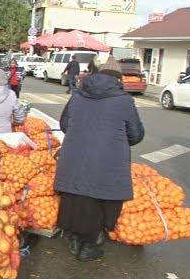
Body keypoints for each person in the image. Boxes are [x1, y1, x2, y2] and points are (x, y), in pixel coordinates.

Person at [54, 57, 145, 262]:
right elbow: (136, 134)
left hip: (75, 157)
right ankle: (88, 245)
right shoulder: (124, 100)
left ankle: (75, 236)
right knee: (100, 198)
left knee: (76, 197)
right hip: (107, 161)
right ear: (118, 78)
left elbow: (65, 124)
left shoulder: (78, 95)